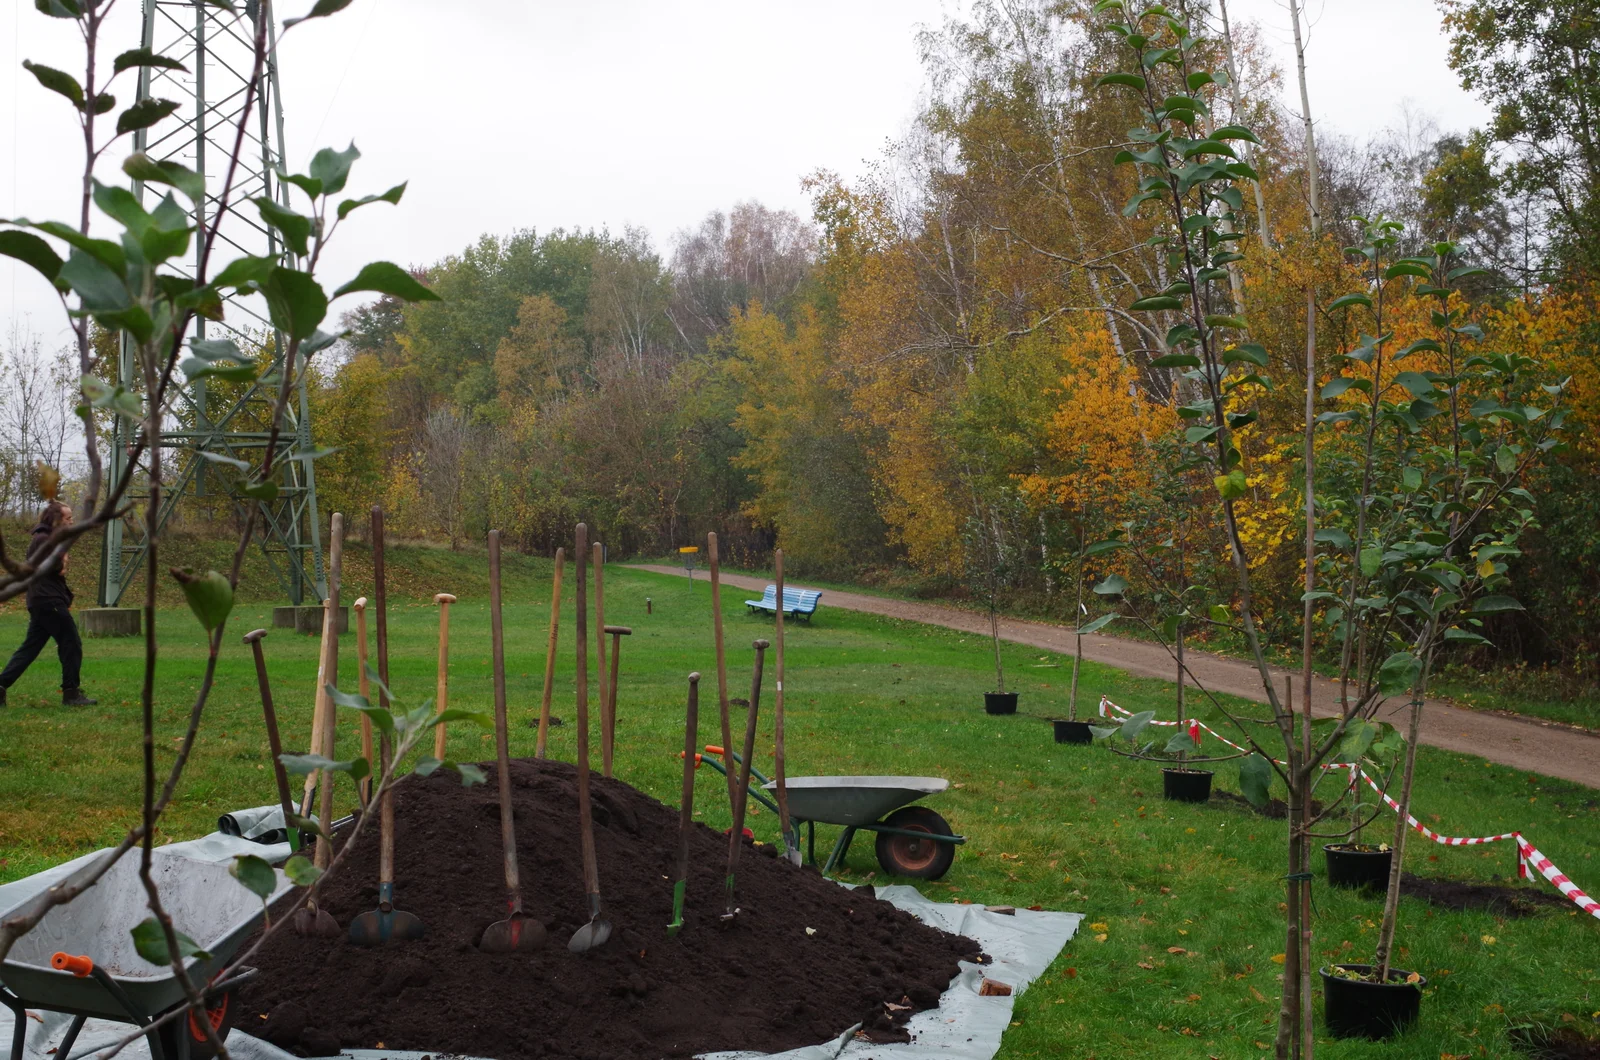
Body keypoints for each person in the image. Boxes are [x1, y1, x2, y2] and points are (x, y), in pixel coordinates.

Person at [0, 501, 96, 707]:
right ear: (56, 519)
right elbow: (55, 567)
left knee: (30, 648)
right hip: (48, 600)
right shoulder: (44, 539)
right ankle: (71, 693)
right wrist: (63, 561)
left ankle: (0, 686)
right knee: (71, 643)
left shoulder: (44, 538)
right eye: (68, 518)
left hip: (41, 600)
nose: (72, 522)